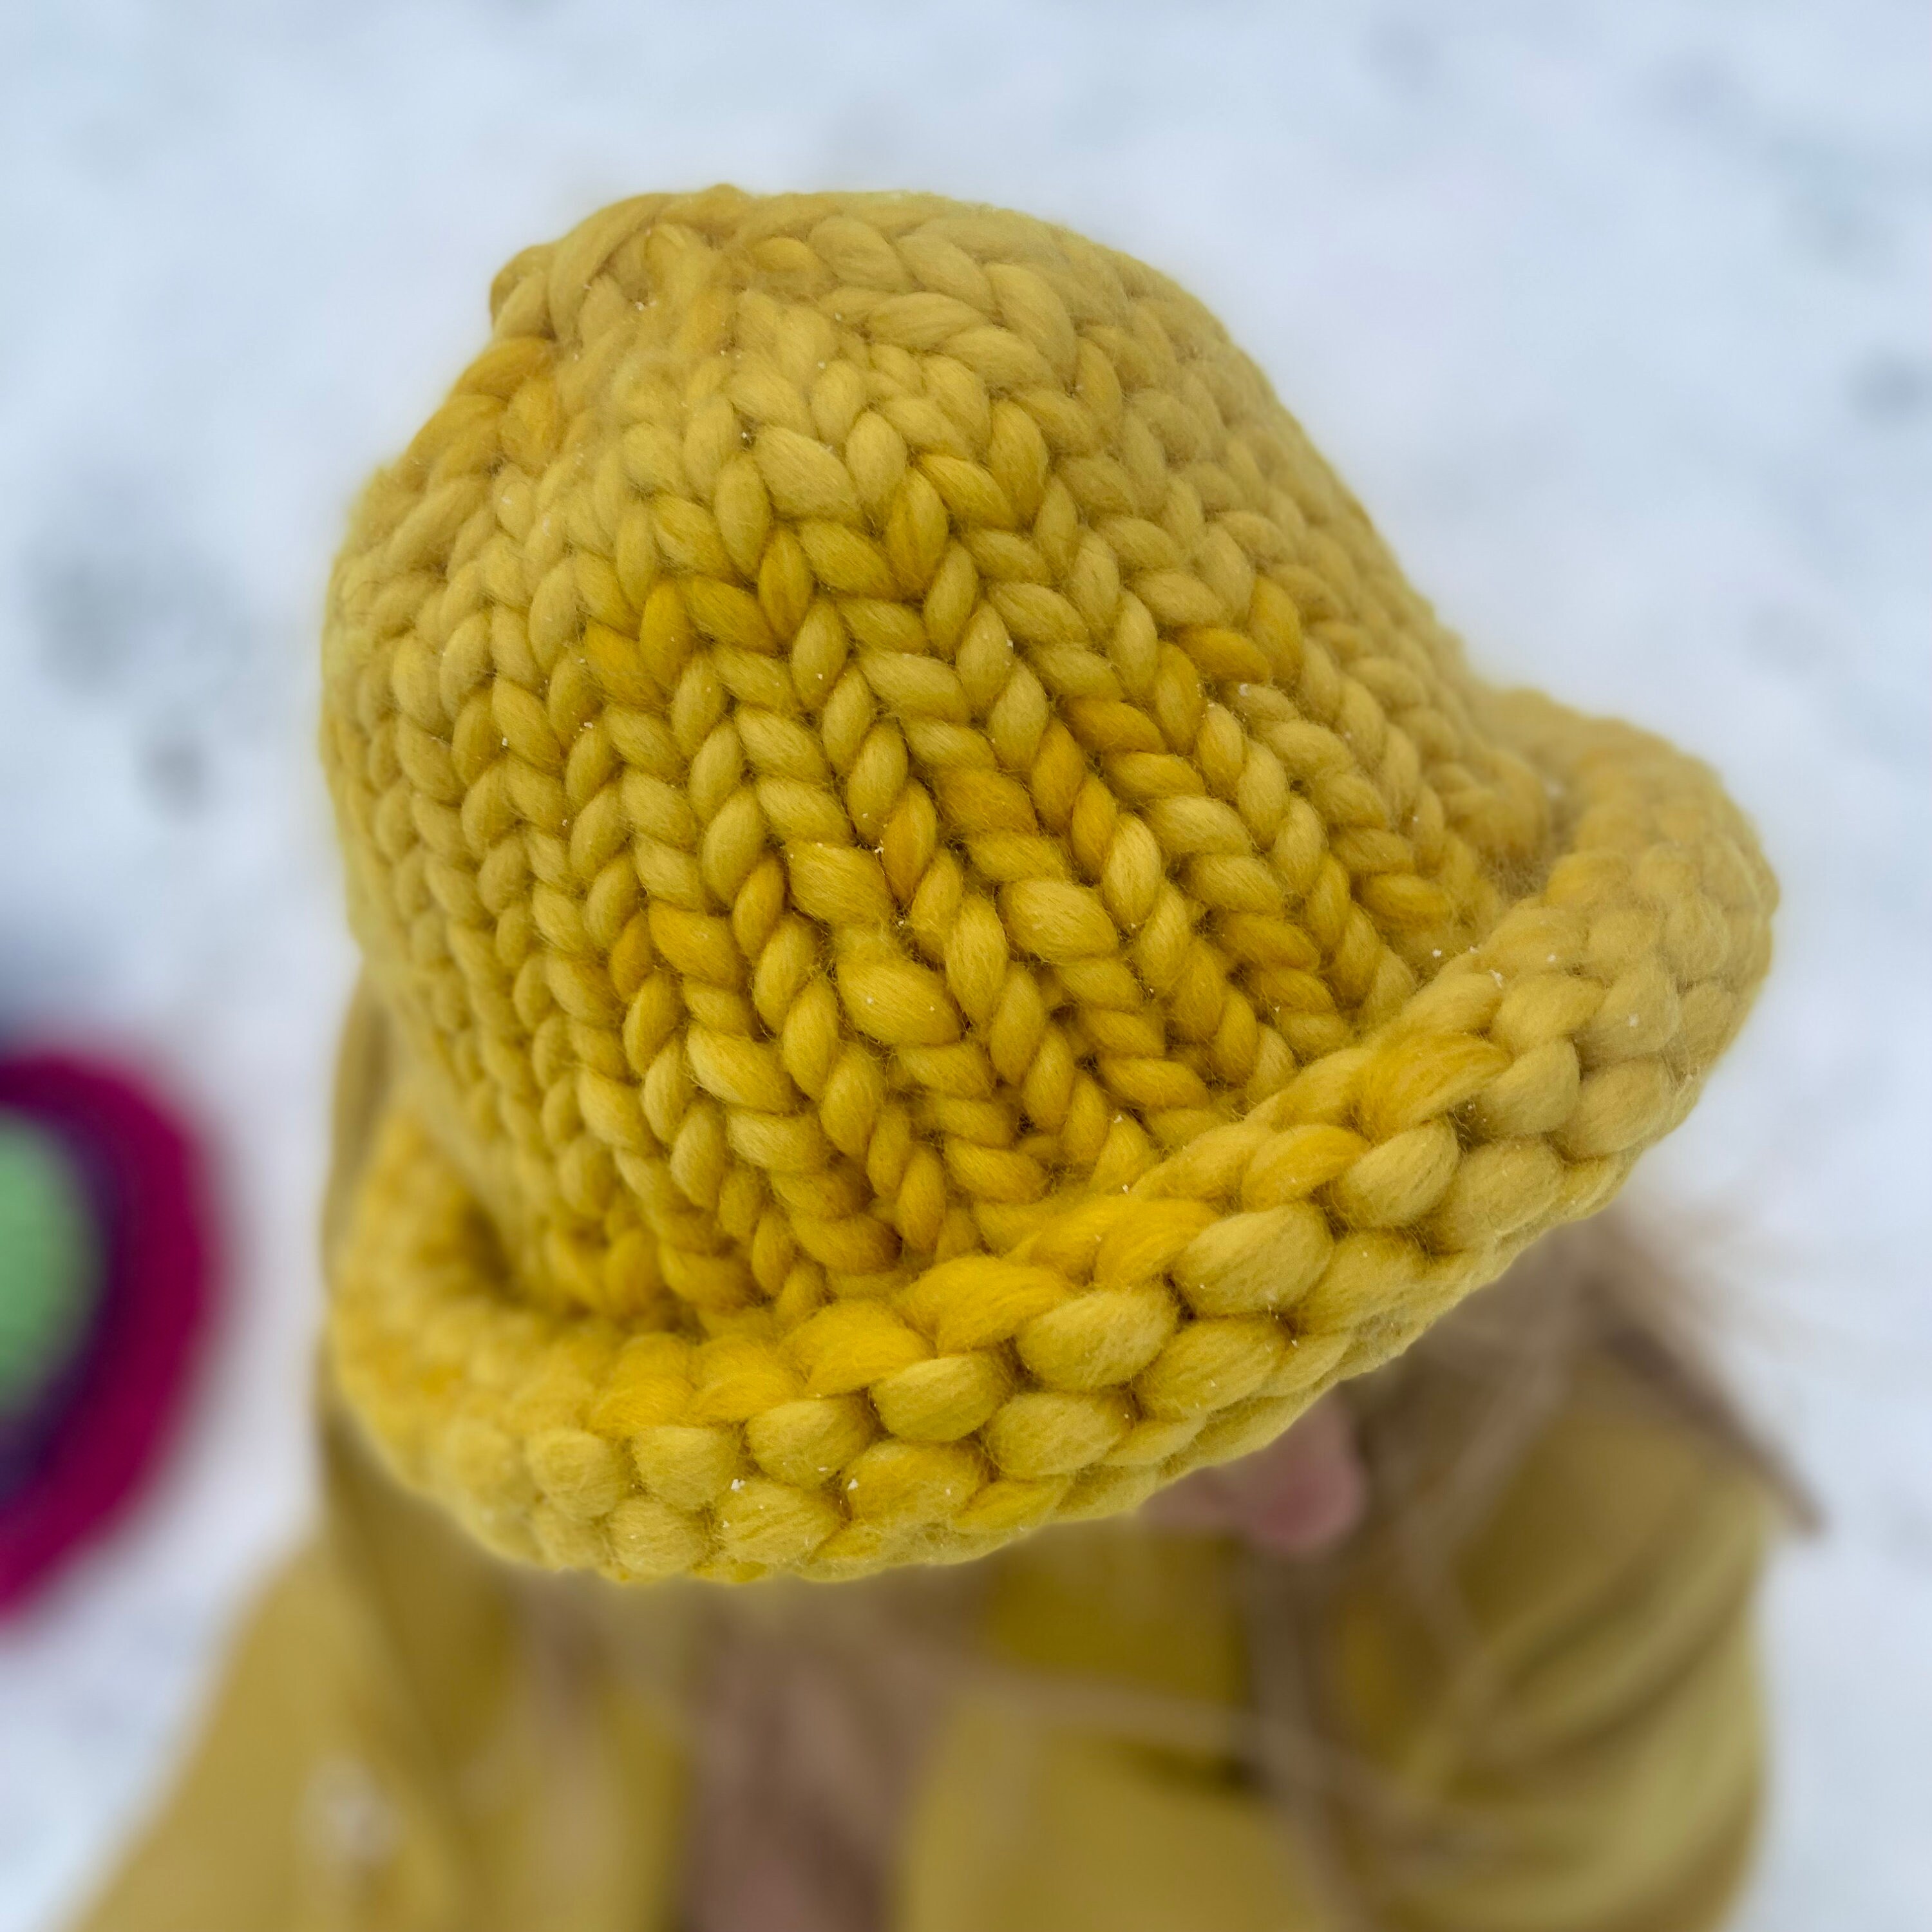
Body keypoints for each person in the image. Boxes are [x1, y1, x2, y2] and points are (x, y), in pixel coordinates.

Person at [78, 187, 1786, 1932]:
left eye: (1363, 1302)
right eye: (1117, 1407)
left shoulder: (1572, 1543)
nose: (1307, 1493)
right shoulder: (482, 1370)